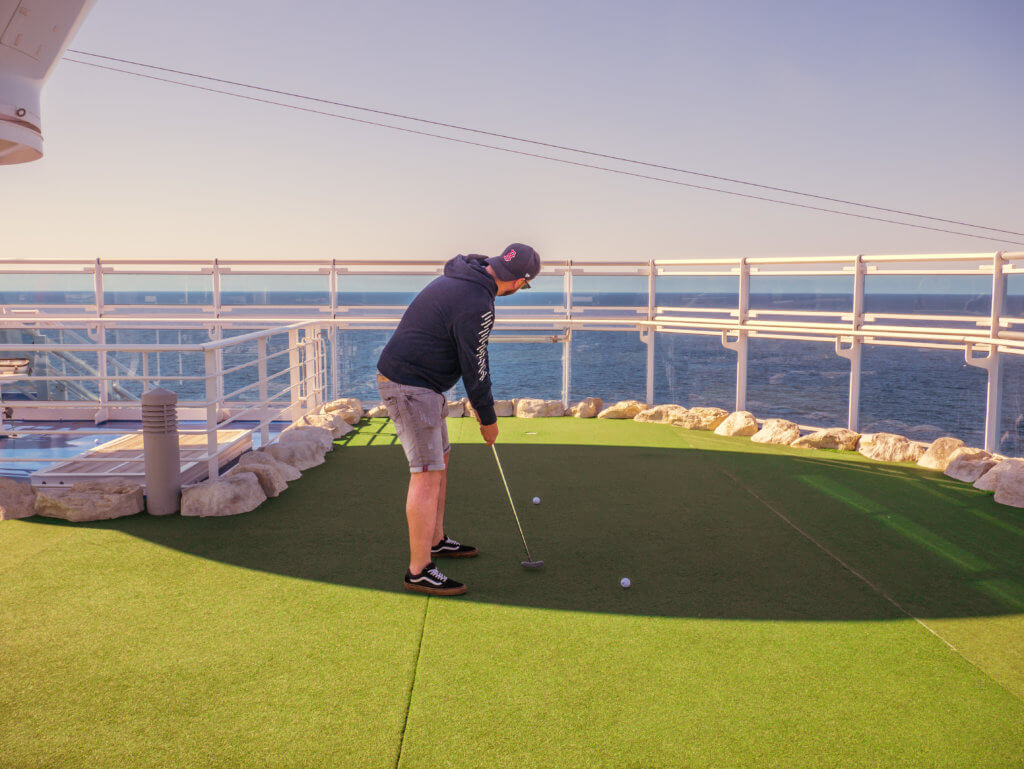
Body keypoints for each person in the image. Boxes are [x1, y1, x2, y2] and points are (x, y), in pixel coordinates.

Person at [376, 243, 541, 596]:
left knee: (441, 460)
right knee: (426, 473)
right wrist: (488, 419)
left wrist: (482, 408)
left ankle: (435, 540)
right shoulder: (478, 302)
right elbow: (475, 365)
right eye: (525, 285)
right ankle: (419, 570)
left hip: (423, 384)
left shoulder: (466, 277)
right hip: (410, 385)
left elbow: (472, 357)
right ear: (518, 282)